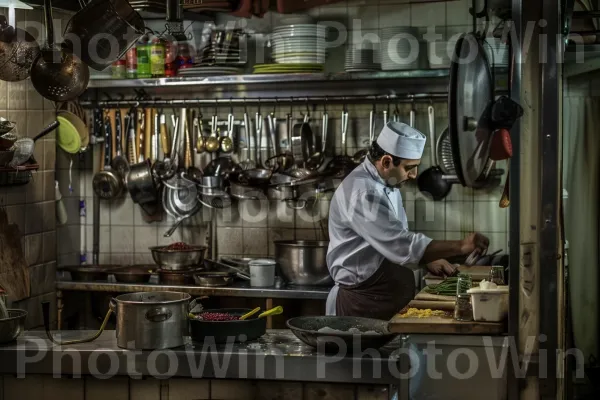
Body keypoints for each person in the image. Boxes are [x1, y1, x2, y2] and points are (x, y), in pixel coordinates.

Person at [326, 121, 489, 319]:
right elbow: (400, 245)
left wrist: (428, 258)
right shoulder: (362, 192)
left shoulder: (387, 182)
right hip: (362, 304)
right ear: (386, 162)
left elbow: (393, 238)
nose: (414, 175)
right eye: (409, 167)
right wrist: (462, 246)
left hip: (383, 298)